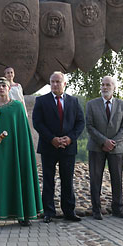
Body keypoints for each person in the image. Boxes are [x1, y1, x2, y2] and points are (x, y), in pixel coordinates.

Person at [0, 77, 43, 227]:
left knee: (18, 177)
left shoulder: (18, 107)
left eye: (4, 85)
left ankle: (23, 214)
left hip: (16, 151)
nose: (1, 88)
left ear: (9, 89)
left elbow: (23, 133)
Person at [32, 71, 85, 223]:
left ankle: (69, 211)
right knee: (48, 180)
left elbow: (80, 122)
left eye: (58, 82)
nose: (54, 84)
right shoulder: (41, 101)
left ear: (64, 84)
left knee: (67, 180)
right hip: (49, 147)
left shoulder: (74, 101)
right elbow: (38, 123)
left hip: (68, 148)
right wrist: (52, 139)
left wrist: (70, 138)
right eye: (52, 81)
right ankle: (48, 212)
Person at [86, 76, 123, 220]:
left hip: (116, 149)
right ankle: (96, 210)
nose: (105, 87)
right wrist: (104, 141)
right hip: (96, 147)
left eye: (108, 85)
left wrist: (113, 142)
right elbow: (89, 126)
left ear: (114, 87)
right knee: (95, 179)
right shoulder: (92, 104)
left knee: (117, 179)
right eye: (103, 84)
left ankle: (118, 208)